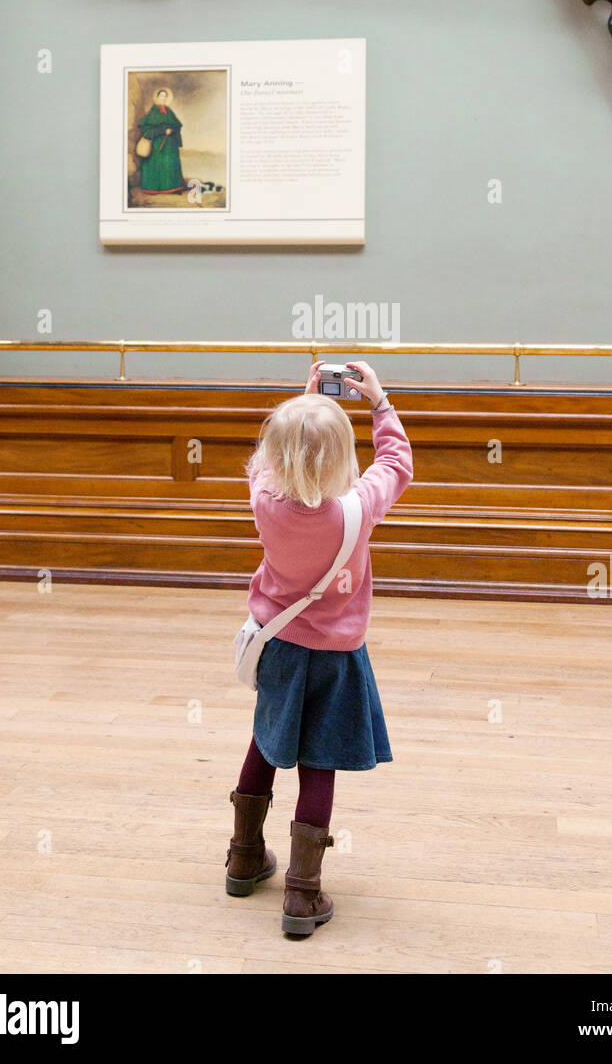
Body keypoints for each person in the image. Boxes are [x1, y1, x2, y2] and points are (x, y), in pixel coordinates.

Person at [224, 360, 413, 936]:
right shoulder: (358, 507)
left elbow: (264, 462)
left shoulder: (264, 500)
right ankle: (302, 897)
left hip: (278, 642)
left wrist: (302, 408)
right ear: (341, 458)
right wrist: (378, 403)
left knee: (265, 738)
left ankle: (243, 857)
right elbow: (396, 463)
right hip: (336, 653)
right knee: (318, 760)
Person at [136, 87, 186, 193]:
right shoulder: (153, 112)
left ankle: (172, 187)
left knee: (170, 164)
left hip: (170, 144)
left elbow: (177, 126)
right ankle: (154, 188)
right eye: (161, 96)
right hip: (156, 144)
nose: (163, 98)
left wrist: (173, 132)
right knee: (156, 163)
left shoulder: (169, 112)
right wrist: (163, 130)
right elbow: (146, 129)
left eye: (165, 96)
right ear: (157, 97)